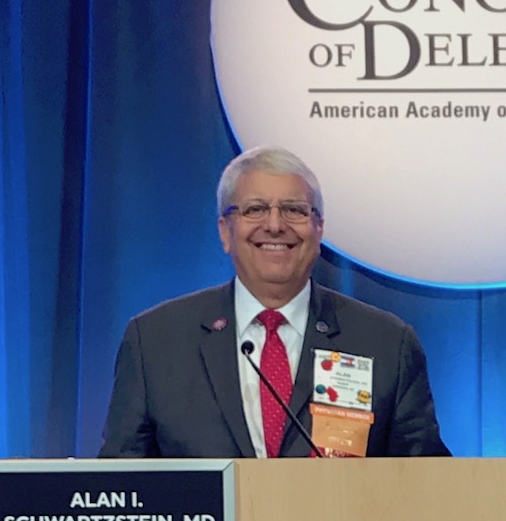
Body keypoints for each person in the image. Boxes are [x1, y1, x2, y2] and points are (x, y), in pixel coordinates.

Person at [99, 146, 450, 458]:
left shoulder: (385, 343)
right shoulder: (155, 342)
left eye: (294, 210)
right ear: (225, 231)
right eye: (255, 209)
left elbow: (426, 486)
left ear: (319, 229)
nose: (275, 225)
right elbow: (123, 488)